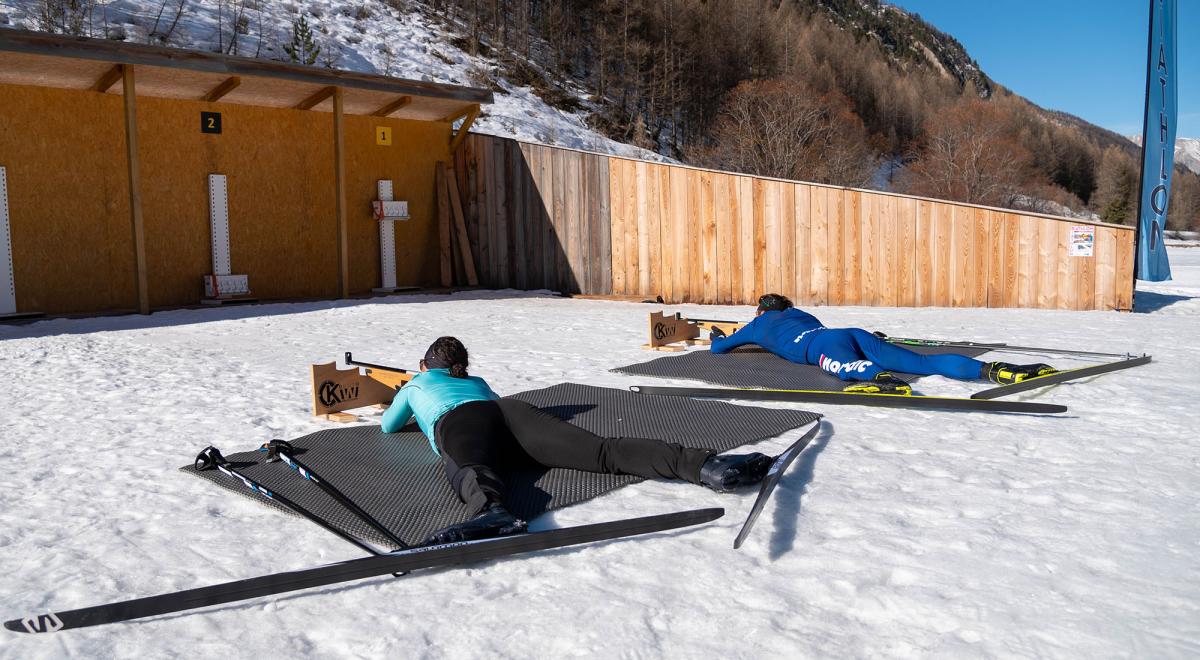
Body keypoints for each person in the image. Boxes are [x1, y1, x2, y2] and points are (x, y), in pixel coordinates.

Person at [382, 336, 774, 545]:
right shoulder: (476, 381)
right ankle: (708, 465)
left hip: (461, 421)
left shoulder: (417, 383)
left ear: (424, 367)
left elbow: (388, 425)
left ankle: (492, 512)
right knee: (604, 451)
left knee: (469, 467)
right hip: (512, 413)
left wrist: (411, 395)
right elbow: (488, 408)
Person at [709, 293, 1057, 395]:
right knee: (923, 362)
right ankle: (995, 371)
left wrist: (718, 338)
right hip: (848, 332)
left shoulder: (756, 326)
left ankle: (881, 380)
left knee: (845, 368)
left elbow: (720, 350)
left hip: (818, 348)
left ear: (760, 311)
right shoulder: (798, 313)